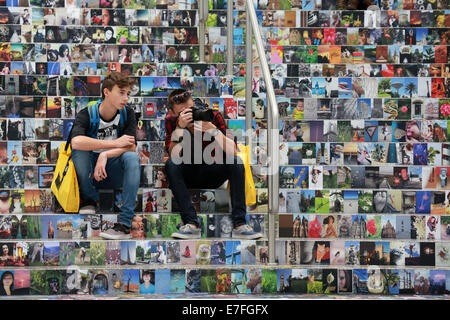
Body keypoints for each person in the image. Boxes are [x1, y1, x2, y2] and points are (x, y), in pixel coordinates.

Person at [164, 89, 263, 239]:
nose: (190, 116)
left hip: (214, 171)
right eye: (183, 113)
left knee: (236, 162)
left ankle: (240, 224)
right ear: (174, 113)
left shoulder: (212, 116)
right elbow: (173, 154)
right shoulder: (172, 122)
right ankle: (191, 223)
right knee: (171, 164)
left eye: (191, 111)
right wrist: (180, 128)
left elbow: (233, 151)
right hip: (189, 173)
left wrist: (213, 130)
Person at [71, 72, 140, 240]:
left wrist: (105, 155)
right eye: (121, 92)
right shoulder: (87, 113)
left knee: (132, 157)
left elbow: (131, 146)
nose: (126, 98)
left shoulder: (128, 113)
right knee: (79, 150)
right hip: (90, 172)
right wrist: (114, 144)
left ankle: (124, 223)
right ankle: (89, 199)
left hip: (113, 168)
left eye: (128, 94)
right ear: (107, 92)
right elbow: (76, 142)